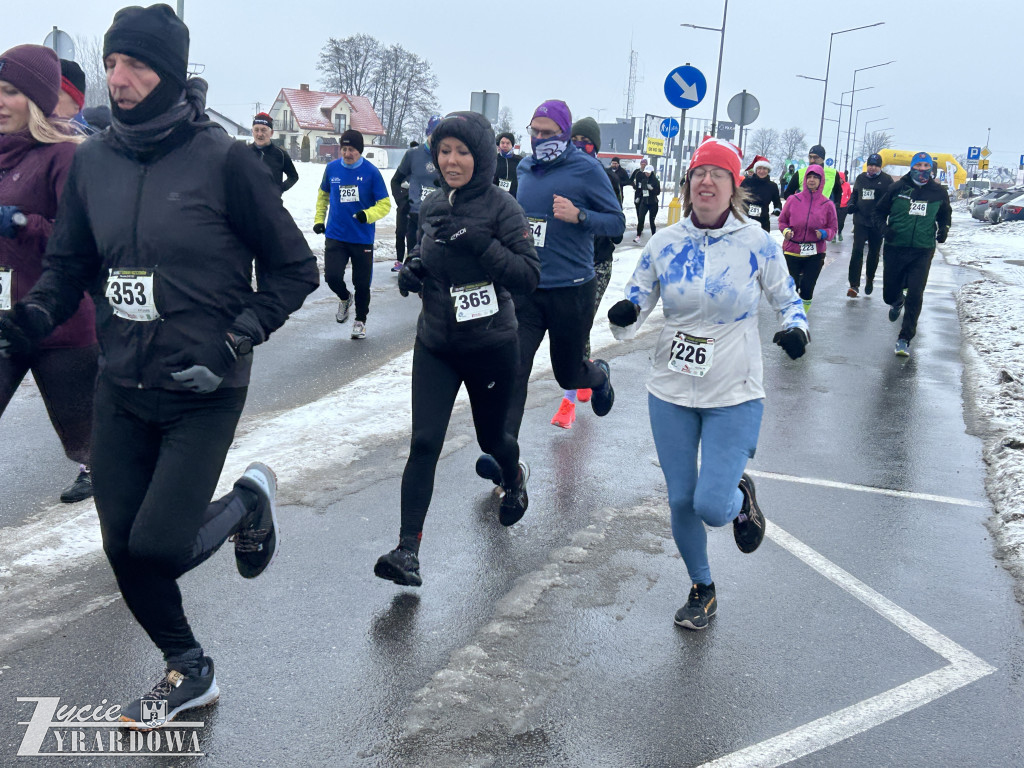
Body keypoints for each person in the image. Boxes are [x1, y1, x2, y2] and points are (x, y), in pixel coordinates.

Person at [0, 5, 319, 728]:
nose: (118, 79)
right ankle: (189, 667)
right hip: (121, 383)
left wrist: (237, 336)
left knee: (160, 547)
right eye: (112, 63)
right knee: (122, 549)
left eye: (136, 65)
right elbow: (68, 266)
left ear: (170, 74)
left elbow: (294, 269)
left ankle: (248, 502)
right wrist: (32, 318)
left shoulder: (225, 162)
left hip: (203, 386)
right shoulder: (93, 163)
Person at [605, 136, 808, 630]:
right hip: (671, 389)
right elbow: (636, 298)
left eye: (718, 174)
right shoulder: (665, 243)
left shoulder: (757, 243)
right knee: (680, 499)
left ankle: (740, 500)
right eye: (699, 173)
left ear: (734, 187)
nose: (707, 181)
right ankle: (703, 588)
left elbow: (788, 299)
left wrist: (796, 329)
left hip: (734, 390)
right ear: (688, 183)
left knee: (712, 507)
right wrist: (627, 312)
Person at [374, 111, 540, 587]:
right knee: (424, 442)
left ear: (480, 156)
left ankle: (513, 477)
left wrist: (482, 244)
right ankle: (407, 551)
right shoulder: (431, 204)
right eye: (444, 151)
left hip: (490, 345)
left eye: (462, 152)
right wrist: (414, 269)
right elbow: (425, 253)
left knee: (493, 441)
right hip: (436, 343)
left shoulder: (503, 208)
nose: (451, 160)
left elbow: (528, 276)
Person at [475, 99, 624, 484]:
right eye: (535, 132)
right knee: (514, 371)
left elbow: (617, 223)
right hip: (528, 287)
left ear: (564, 133)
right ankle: (503, 457)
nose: (540, 139)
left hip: (571, 290)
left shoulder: (587, 169)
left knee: (567, 373)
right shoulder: (526, 167)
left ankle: (599, 377)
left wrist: (580, 216)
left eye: (548, 133)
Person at [0, 44, 95, 504]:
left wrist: (23, 223)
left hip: (62, 325)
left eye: (10, 91)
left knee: (94, 447)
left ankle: (141, 524)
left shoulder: (64, 156)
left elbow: (84, 241)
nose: (0, 101)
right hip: (9, 319)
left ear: (37, 99)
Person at [551, 116, 623, 429]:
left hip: (597, 264)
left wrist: (583, 217)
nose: (580, 146)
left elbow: (616, 227)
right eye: (575, 140)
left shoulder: (606, 178)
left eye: (587, 142)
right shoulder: (560, 175)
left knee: (579, 325)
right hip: (566, 263)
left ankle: (568, 401)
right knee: (574, 326)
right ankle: (592, 372)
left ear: (597, 147)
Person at [312, 128, 391, 339]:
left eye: (352, 150)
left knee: (362, 284)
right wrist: (319, 220)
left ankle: (360, 321)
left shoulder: (372, 172)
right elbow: (323, 196)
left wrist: (368, 215)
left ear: (360, 150)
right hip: (336, 234)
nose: (347, 154)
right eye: (344, 149)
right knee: (332, 277)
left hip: (361, 237)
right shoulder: (332, 169)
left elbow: (384, 204)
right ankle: (345, 298)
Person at [873, 151, 951, 357]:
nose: (922, 170)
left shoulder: (938, 192)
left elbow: (945, 214)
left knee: (916, 294)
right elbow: (878, 212)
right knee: (889, 294)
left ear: (931, 169)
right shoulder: (897, 188)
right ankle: (897, 300)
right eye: (918, 166)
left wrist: (944, 229)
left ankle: (904, 338)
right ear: (912, 167)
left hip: (922, 250)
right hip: (895, 247)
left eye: (926, 167)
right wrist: (885, 229)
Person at [778, 164, 838, 315]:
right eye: (809, 177)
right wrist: (785, 231)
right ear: (805, 180)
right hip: (792, 250)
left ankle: (800, 316)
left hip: (815, 253)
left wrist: (824, 233)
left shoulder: (827, 204)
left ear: (821, 181)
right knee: (791, 288)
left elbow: (833, 229)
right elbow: (782, 221)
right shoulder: (793, 200)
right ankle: (792, 315)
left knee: (807, 288)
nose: (812, 180)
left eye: (815, 178)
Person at [389, 115, 441, 271]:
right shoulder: (413, 154)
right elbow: (395, 181)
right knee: (415, 263)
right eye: (435, 133)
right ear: (428, 133)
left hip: (438, 217)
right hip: (415, 215)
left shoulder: (448, 156)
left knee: (434, 265)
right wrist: (402, 202)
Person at [845, 153, 892, 297]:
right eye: (870, 165)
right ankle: (854, 285)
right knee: (857, 251)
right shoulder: (861, 178)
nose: (872, 168)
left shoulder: (886, 180)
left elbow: (891, 199)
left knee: (874, 253)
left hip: (877, 222)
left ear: (880, 167)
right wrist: (851, 204)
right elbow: (855, 194)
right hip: (860, 220)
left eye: (876, 166)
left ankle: (870, 279)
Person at [783, 145, 843, 212]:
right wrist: (797, 204)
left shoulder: (833, 173)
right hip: (803, 213)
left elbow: (838, 193)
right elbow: (787, 193)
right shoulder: (800, 173)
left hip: (824, 214)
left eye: (815, 157)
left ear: (823, 158)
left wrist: (835, 207)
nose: (812, 160)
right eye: (810, 157)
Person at [249, 112, 298, 193]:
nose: (259, 134)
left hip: (271, 200)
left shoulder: (281, 155)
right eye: (256, 130)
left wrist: (280, 189)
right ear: (252, 131)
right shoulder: (244, 152)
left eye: (263, 130)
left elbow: (293, 177)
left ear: (271, 133)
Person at [740, 156, 781, 232]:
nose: (762, 171)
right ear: (756, 170)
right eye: (759, 168)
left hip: (763, 221)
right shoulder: (747, 182)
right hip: (746, 220)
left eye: (764, 169)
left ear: (768, 170)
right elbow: (738, 196)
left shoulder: (772, 186)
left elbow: (777, 202)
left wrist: (777, 210)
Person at [392, 140, 417, 267]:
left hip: (416, 209)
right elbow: (394, 183)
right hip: (403, 207)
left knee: (412, 235)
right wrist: (400, 201)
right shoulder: (403, 170)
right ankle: (399, 261)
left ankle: (412, 261)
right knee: (400, 233)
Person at [633, 163, 660, 244]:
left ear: (651, 172)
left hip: (653, 203)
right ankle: (638, 236)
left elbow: (658, 192)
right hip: (644, 202)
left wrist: (652, 189)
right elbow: (642, 190)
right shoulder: (643, 180)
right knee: (641, 219)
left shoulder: (655, 181)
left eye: (648, 173)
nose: (647, 174)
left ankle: (654, 236)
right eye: (646, 172)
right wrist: (638, 197)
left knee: (652, 220)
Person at [493, 131, 521, 197]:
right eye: (502, 143)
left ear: (512, 145)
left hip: (514, 196)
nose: (505, 145)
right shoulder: (493, 159)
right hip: (495, 196)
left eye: (508, 143)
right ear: (499, 144)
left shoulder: (519, 160)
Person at [834, 170, 851, 242]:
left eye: (840, 178)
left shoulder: (847, 185)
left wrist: (847, 201)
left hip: (844, 207)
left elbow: (850, 195)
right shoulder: (834, 185)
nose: (839, 180)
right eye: (838, 179)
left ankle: (840, 232)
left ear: (843, 178)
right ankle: (834, 235)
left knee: (841, 222)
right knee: (834, 221)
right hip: (835, 206)